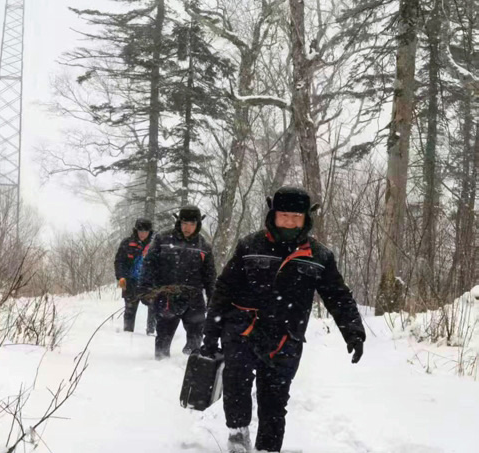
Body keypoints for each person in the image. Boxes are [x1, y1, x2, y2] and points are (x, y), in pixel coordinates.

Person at [199, 186, 365, 453]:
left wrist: (354, 332)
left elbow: (338, 295)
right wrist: (211, 332)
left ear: (306, 219)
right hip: (243, 331)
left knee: (274, 400)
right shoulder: (250, 246)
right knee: (236, 386)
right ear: (273, 214)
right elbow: (224, 288)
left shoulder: (319, 256)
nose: (290, 222)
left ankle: (267, 448)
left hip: (286, 339)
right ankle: (238, 436)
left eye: (296, 217)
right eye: (284, 215)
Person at [140, 206, 216, 359]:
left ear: (198, 225)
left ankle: (190, 366)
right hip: (167, 297)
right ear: (179, 222)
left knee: (196, 338)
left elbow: (210, 277)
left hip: (194, 299)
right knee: (163, 338)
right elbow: (148, 265)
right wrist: (145, 289)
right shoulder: (162, 239)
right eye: (184, 223)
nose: (188, 228)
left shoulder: (204, 247)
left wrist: (213, 299)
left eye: (192, 224)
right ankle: (159, 367)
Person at [114, 217, 156, 334]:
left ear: (150, 231)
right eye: (140, 231)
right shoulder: (127, 243)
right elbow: (119, 261)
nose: (143, 234)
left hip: (149, 283)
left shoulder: (155, 244)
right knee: (130, 309)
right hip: (130, 282)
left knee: (153, 306)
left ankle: (151, 332)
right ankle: (128, 332)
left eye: (145, 231)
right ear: (136, 230)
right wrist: (121, 277)